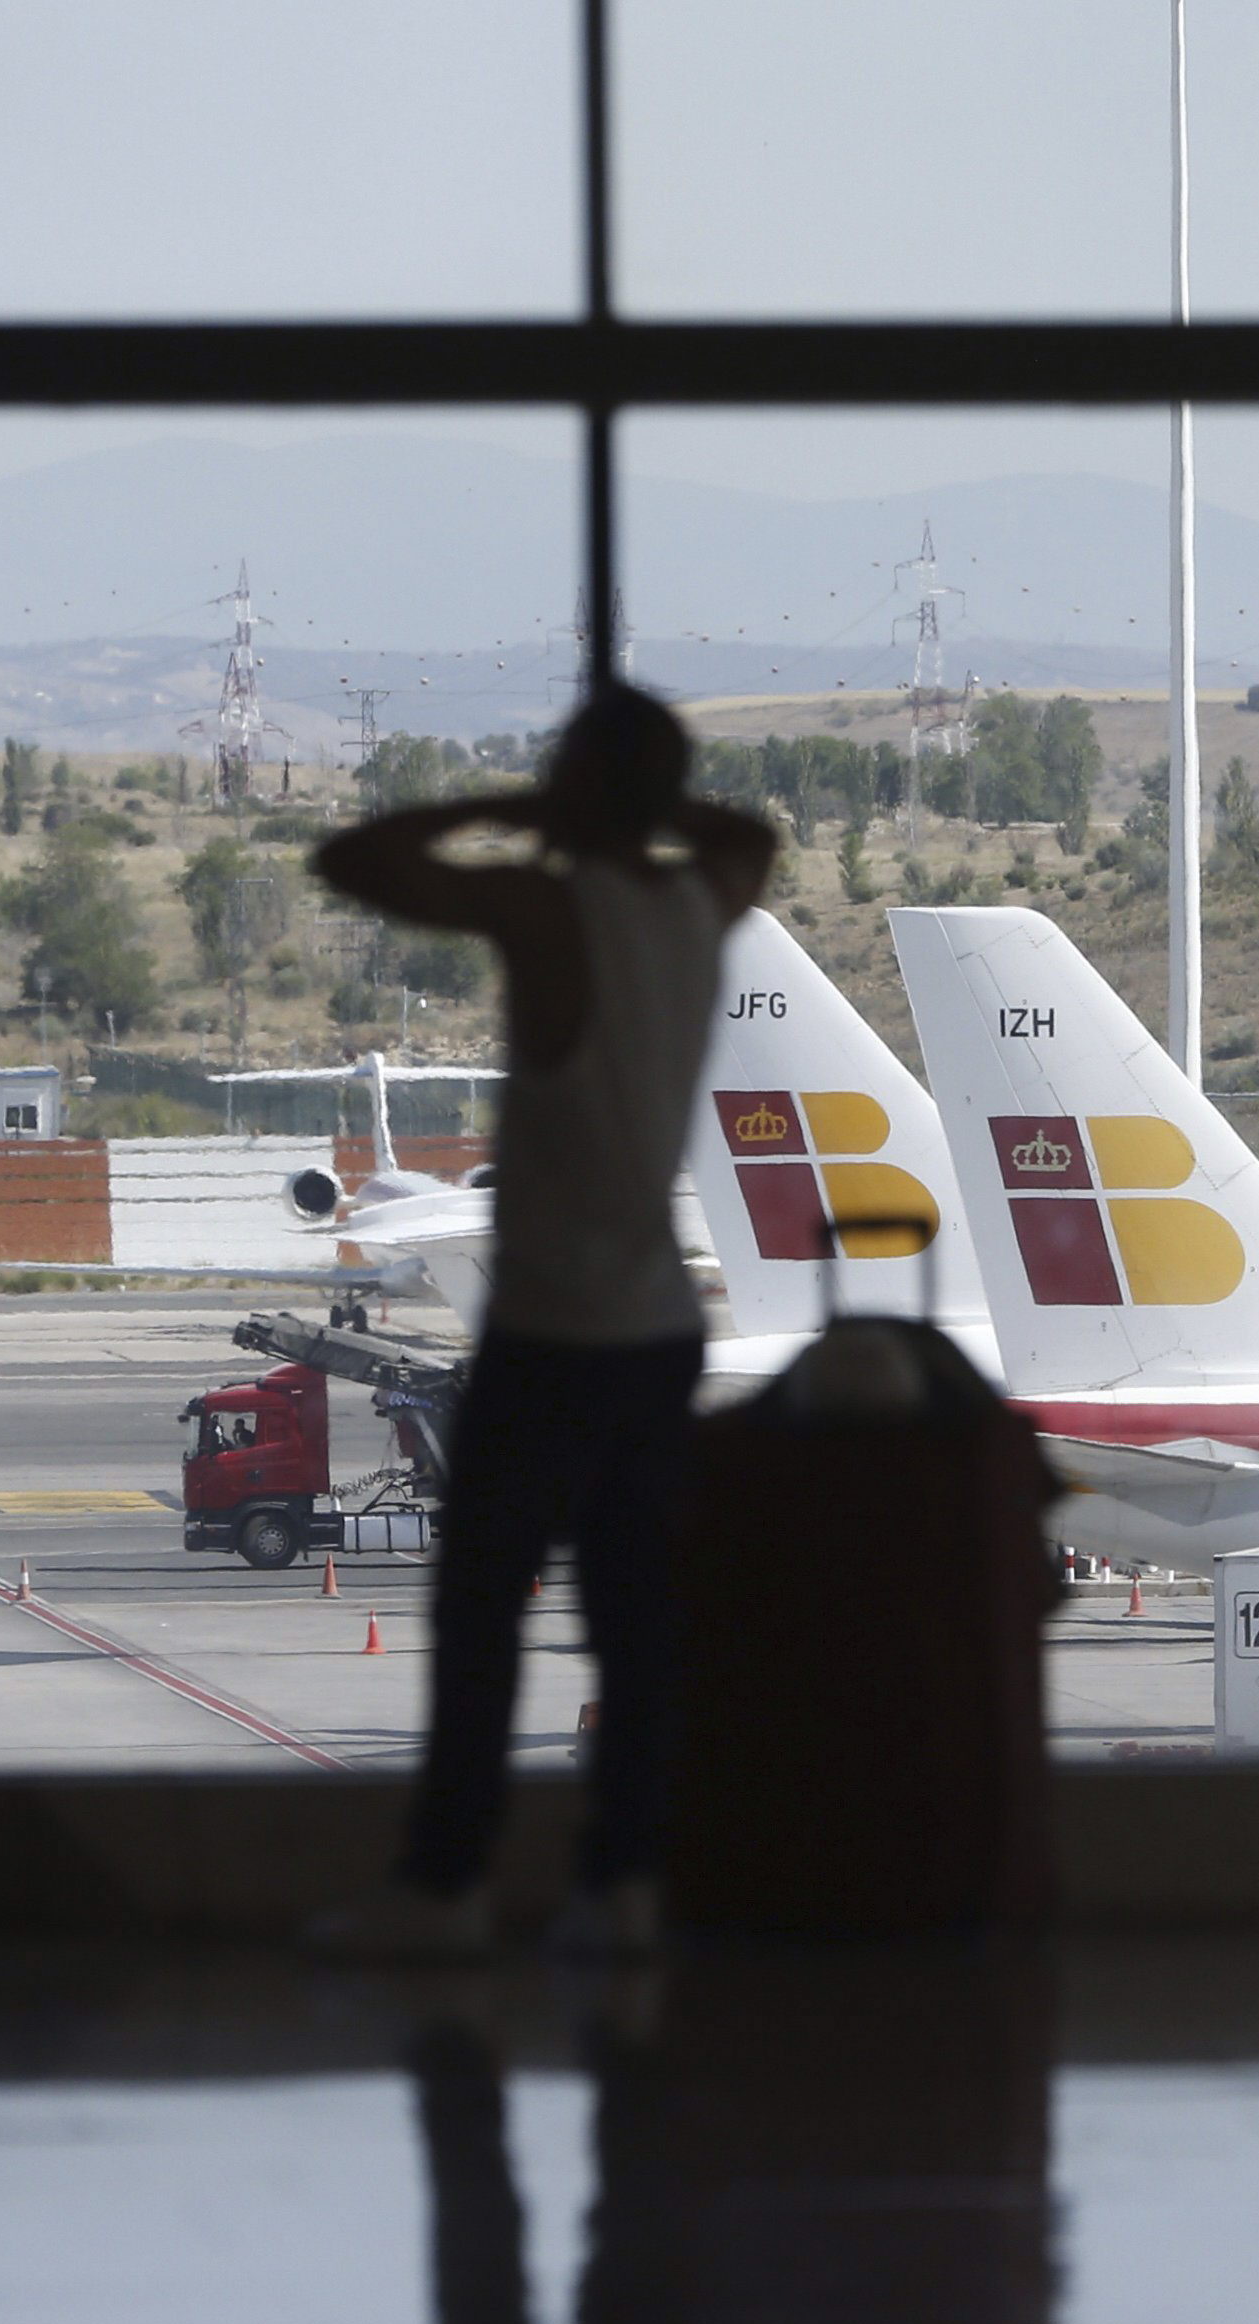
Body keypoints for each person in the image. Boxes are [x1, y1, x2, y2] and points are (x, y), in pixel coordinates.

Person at [310, 688, 774, 1957]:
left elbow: (354, 860)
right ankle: (628, 1883)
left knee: (479, 1616)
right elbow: (748, 834)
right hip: (657, 1322)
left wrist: (518, 812)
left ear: (577, 791)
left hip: (554, 1322)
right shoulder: (697, 901)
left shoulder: (551, 907)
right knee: (635, 1616)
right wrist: (620, 805)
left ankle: (447, 1883)